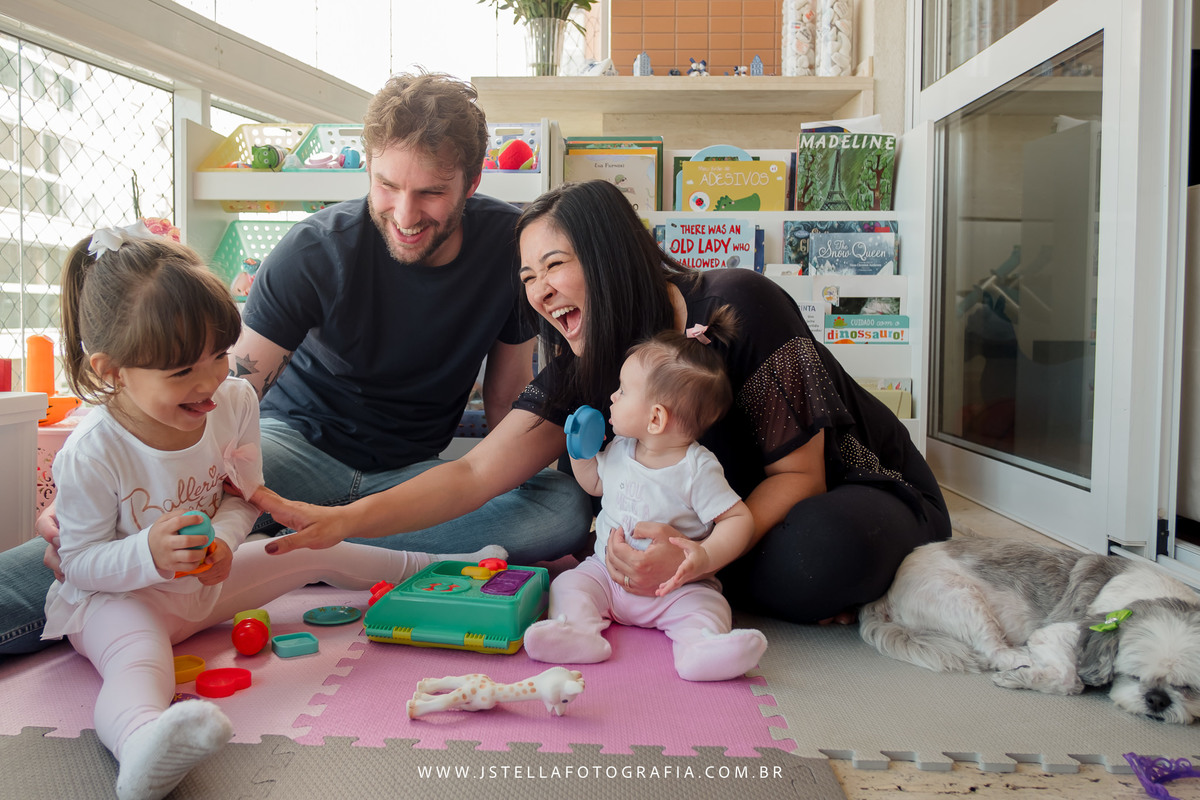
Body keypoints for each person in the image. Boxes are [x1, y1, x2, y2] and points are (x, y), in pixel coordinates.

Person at [2, 71, 592, 657]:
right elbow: (223, 388)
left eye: (431, 193)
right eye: (387, 185)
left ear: (472, 181)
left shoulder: (511, 249)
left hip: (408, 473)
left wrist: (480, 487)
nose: (406, 213)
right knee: (149, 524)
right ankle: (315, 543)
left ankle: (311, 539)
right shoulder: (316, 248)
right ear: (367, 168)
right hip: (290, 453)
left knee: (559, 509)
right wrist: (99, 482)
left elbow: (508, 400)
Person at [256, 179, 952, 625]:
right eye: (527, 276)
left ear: (614, 258)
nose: (539, 291)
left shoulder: (736, 304)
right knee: (586, 511)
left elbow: (802, 478)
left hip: (843, 490)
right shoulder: (579, 364)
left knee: (810, 558)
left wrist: (697, 557)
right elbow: (472, 474)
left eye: (555, 265)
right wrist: (339, 524)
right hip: (711, 519)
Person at [44, 225, 504, 800]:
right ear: (113, 372)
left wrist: (223, 544)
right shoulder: (94, 450)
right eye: (182, 372)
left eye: (217, 355)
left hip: (201, 586)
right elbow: (79, 564)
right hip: (116, 604)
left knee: (309, 546)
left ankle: (445, 568)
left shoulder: (232, 400)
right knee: (139, 663)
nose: (210, 381)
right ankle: (141, 745)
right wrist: (148, 554)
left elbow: (243, 496)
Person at [522, 310, 768, 681]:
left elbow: (737, 518)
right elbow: (596, 484)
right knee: (569, 584)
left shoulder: (697, 469)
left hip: (675, 588)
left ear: (655, 418)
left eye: (622, 390)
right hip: (607, 574)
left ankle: (702, 649)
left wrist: (703, 558)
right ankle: (576, 631)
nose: (612, 395)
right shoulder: (621, 448)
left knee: (708, 605)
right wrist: (578, 452)